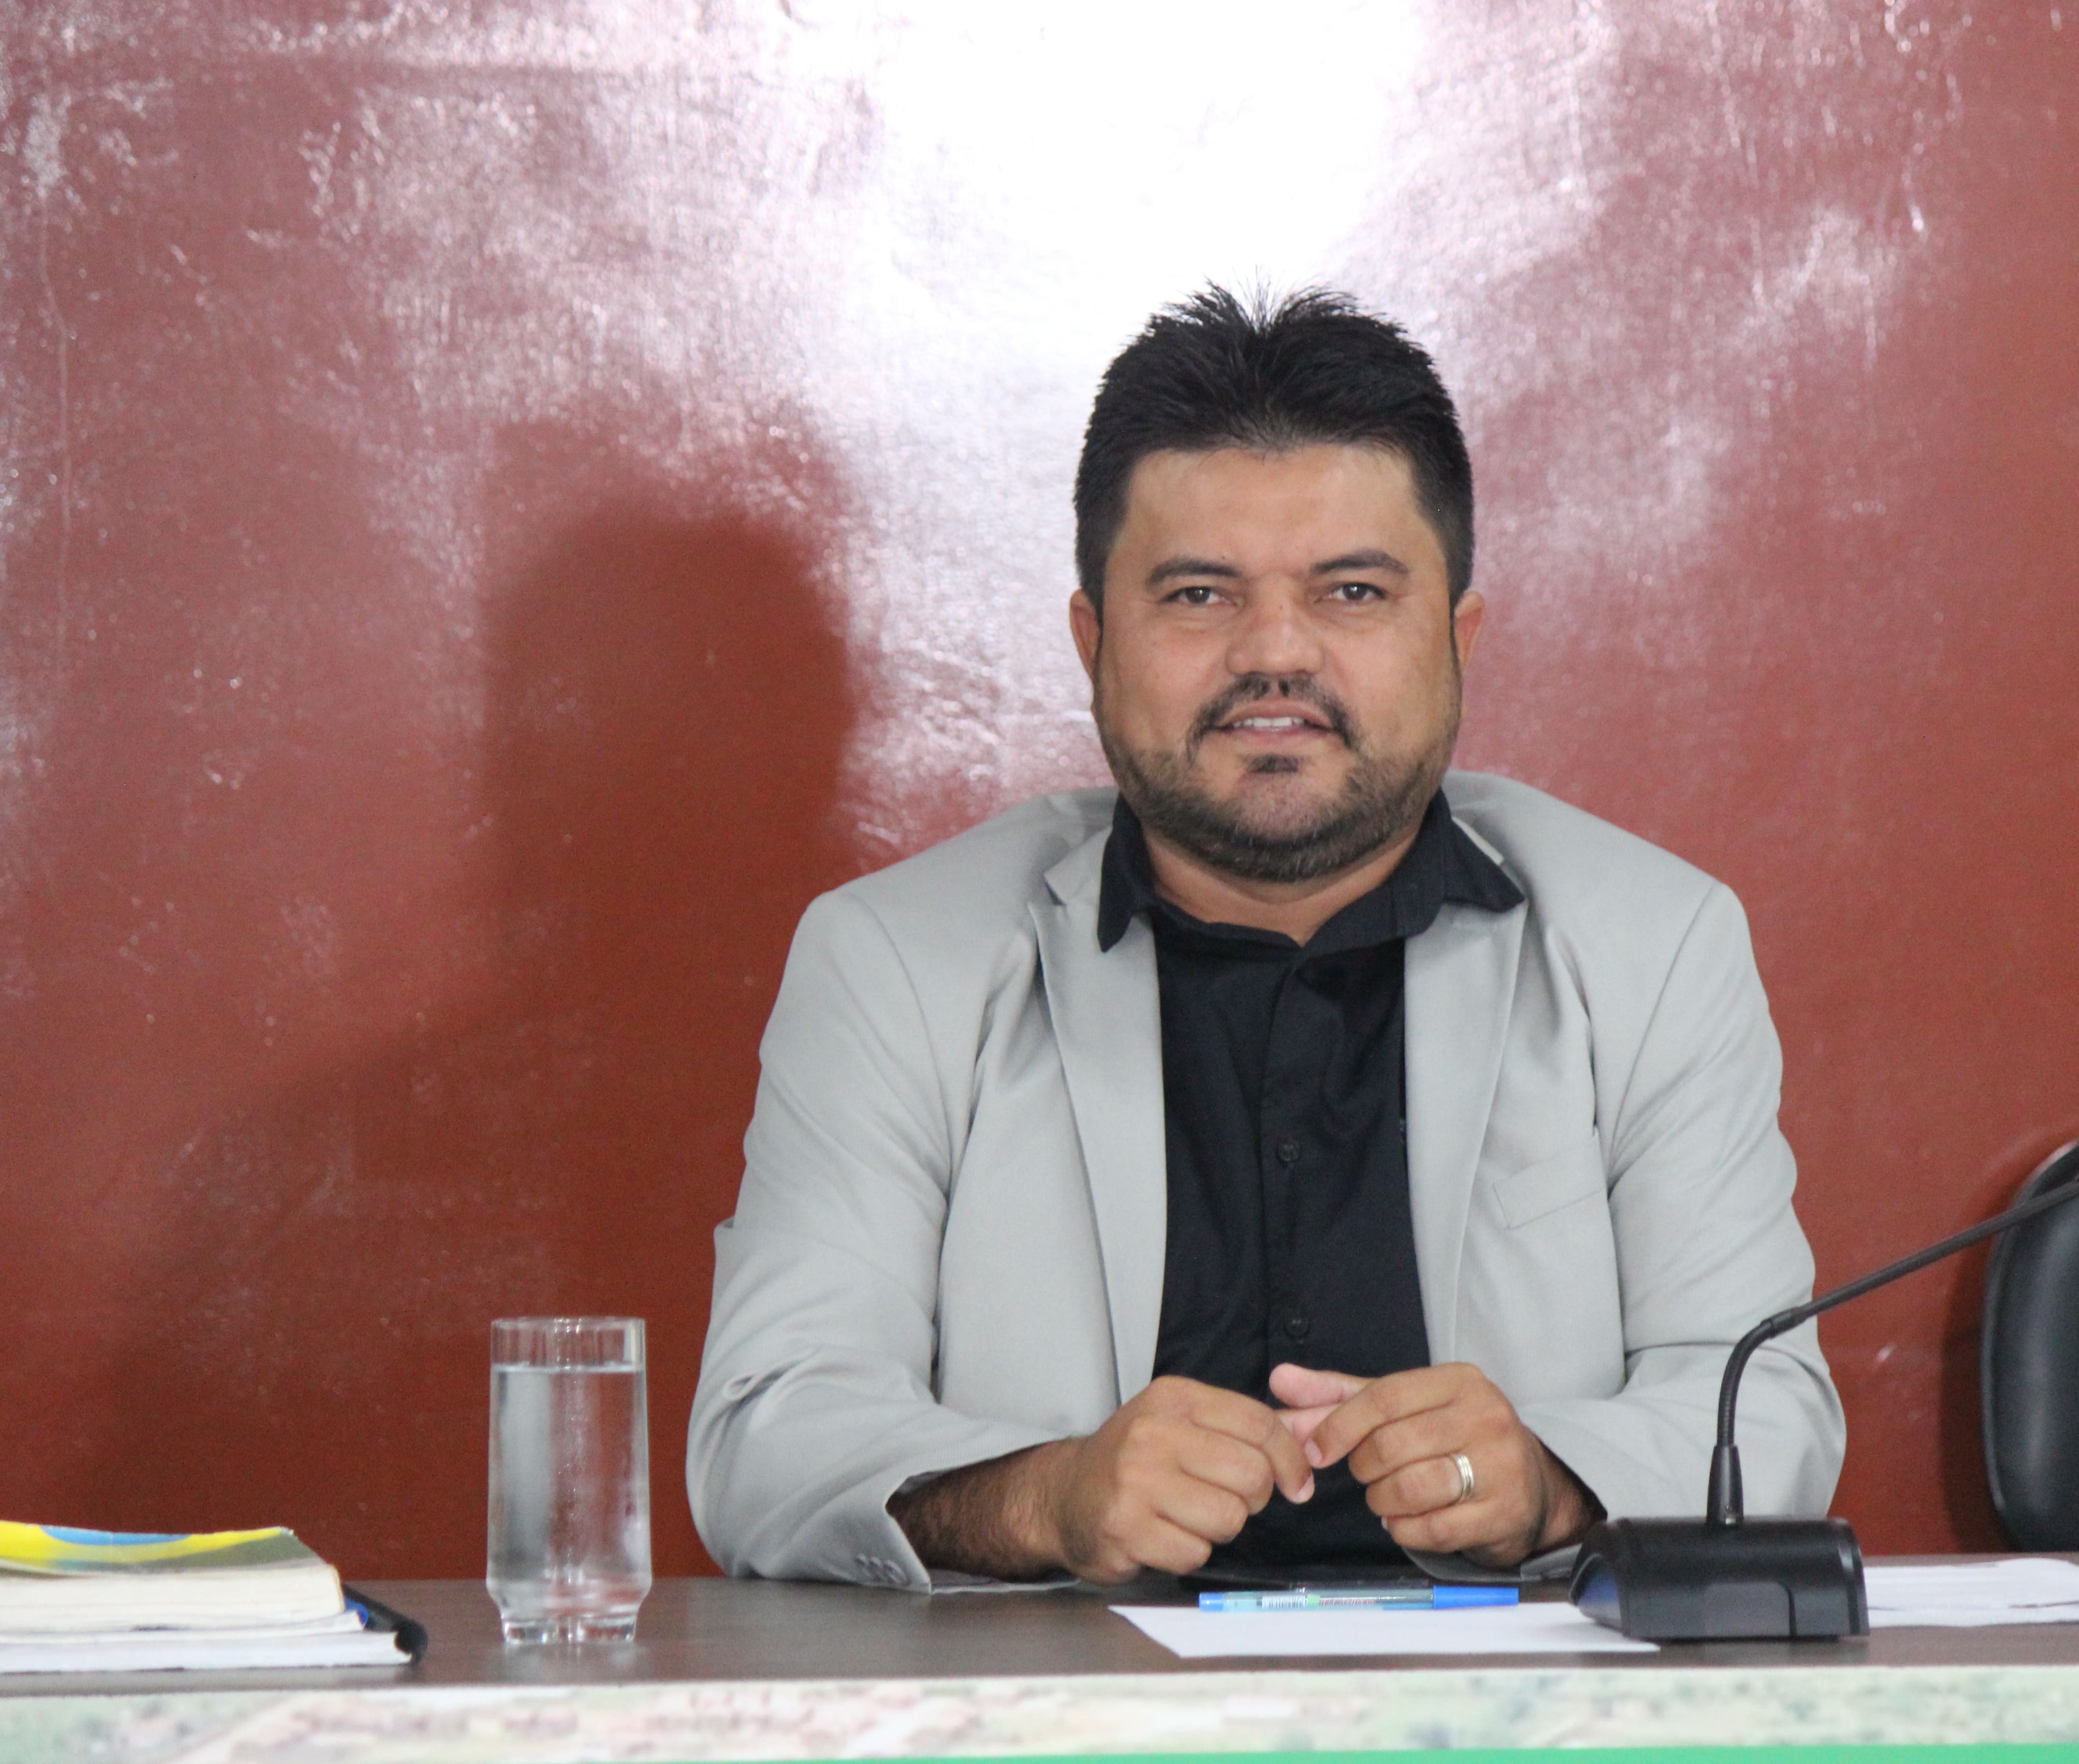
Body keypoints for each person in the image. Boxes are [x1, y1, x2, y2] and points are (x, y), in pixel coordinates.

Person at [688, 287, 1843, 1587]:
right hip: (1080, 1693)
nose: (1276, 655)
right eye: (1199, 594)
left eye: (1353, 590)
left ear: (1457, 639)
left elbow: (1767, 1408)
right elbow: (768, 1432)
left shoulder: (1655, 944)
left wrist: (1551, 1484)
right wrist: (1048, 1498)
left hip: (1507, 1691)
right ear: (1094, 642)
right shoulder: (895, 963)